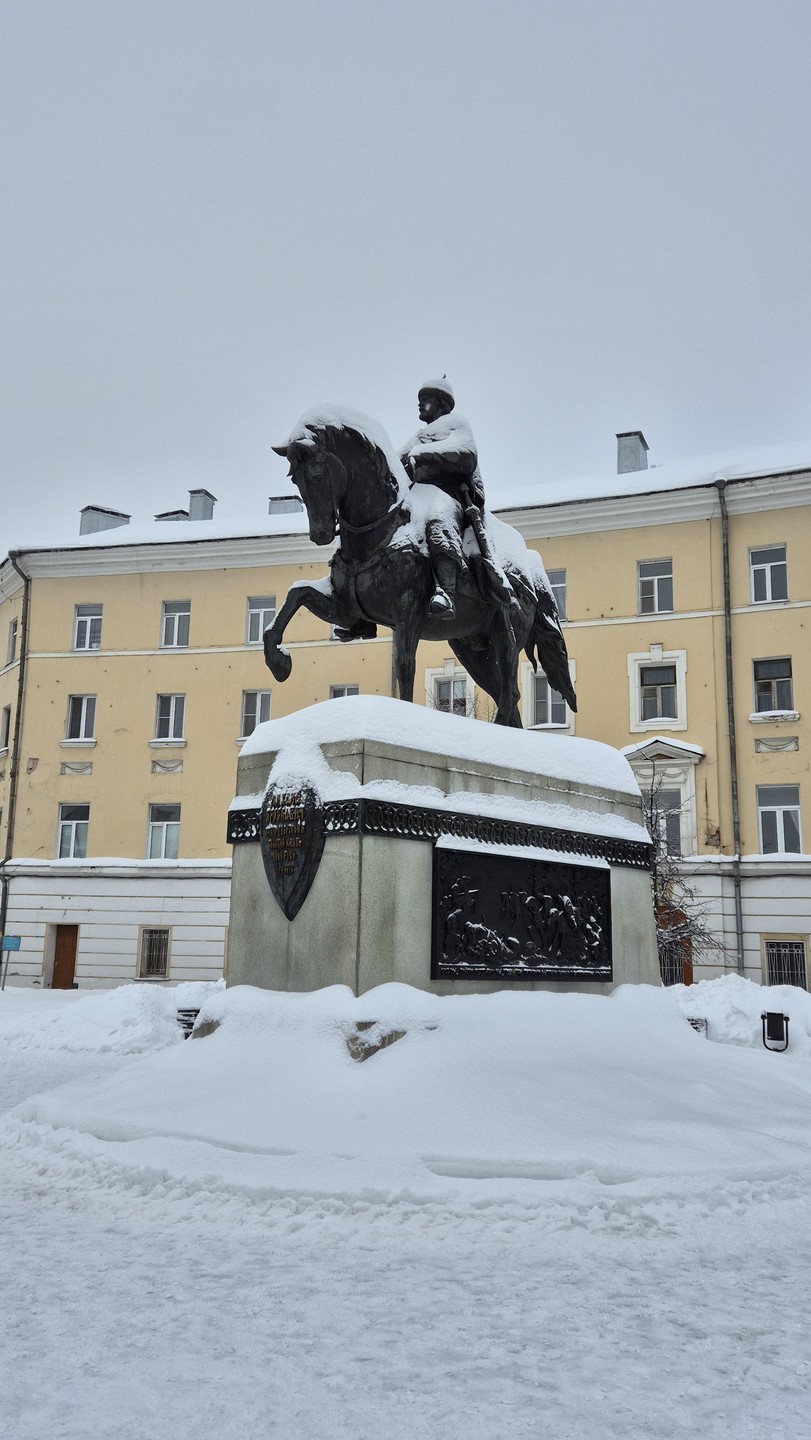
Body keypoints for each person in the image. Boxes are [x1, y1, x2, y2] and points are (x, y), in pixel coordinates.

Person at [400, 377, 486, 618]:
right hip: (417, 499)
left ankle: (446, 593)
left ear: (442, 403)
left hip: (449, 496)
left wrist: (424, 454)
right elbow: (396, 464)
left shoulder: (455, 424)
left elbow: (466, 453)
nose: (420, 405)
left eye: (425, 400)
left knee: (438, 517)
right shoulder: (419, 436)